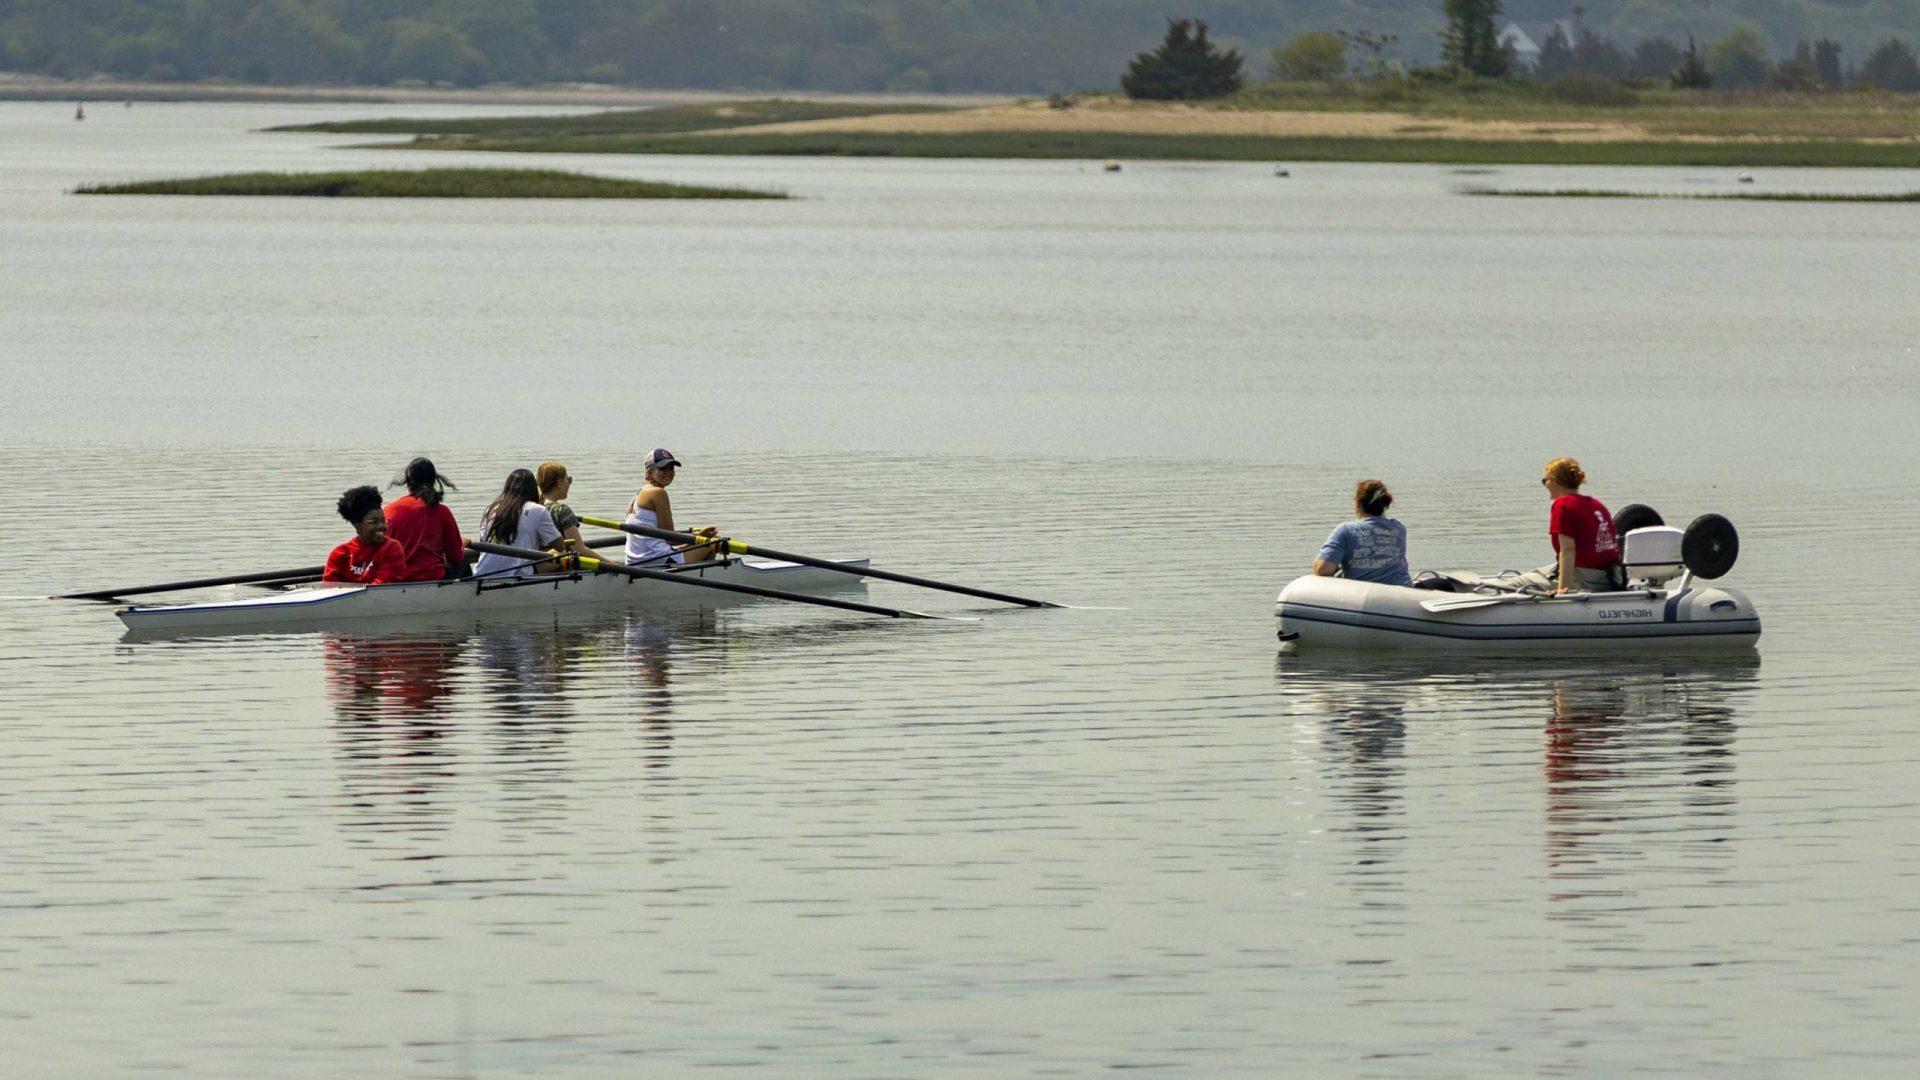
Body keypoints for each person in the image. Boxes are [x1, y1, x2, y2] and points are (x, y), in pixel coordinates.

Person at [1509, 456, 1621, 595]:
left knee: (1510, 585)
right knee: (1538, 572)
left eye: (1545, 480)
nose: (1545, 485)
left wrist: (1562, 588)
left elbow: (1568, 550)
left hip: (1583, 578)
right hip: (1608, 576)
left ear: (1554, 482)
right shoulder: (1596, 504)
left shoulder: (1562, 504)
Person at [623, 449, 722, 567]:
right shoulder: (658, 493)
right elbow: (670, 538)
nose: (669, 472)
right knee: (713, 542)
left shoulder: (636, 497)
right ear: (650, 472)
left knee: (702, 542)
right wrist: (699, 537)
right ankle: (701, 581)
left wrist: (695, 538)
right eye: (663, 468)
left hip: (634, 561)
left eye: (671, 468)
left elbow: (663, 535)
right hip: (656, 560)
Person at [1313, 479, 1413, 587]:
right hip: (1404, 591)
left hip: (1366, 597)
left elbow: (1322, 569)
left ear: (1358, 503)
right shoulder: (1398, 528)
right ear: (1385, 504)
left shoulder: (1346, 530)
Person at [383, 457, 466, 581]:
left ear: (407, 482)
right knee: (463, 561)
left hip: (395, 582)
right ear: (434, 482)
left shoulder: (388, 510)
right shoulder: (442, 511)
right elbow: (455, 558)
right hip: (432, 580)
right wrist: (463, 546)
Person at [471, 469, 565, 578]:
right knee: (563, 555)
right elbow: (560, 546)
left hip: (481, 573)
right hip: (516, 575)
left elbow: (483, 541)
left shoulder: (491, 509)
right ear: (533, 489)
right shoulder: (537, 510)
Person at [324, 485, 408, 585]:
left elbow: (383, 585)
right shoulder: (340, 554)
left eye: (383, 521)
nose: (382, 526)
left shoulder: (391, 548)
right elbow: (330, 589)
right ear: (358, 526)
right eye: (374, 522)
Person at [535, 461, 604, 564]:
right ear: (559, 483)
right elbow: (579, 549)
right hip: (556, 567)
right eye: (568, 479)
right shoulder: (562, 511)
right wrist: (611, 563)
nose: (569, 483)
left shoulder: (534, 508)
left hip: (536, 564)